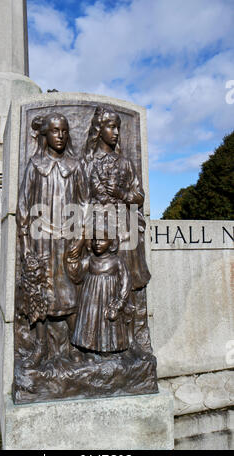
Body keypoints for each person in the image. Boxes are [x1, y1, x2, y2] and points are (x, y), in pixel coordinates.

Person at [16, 112, 89, 366]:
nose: (61, 136)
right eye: (56, 131)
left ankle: (76, 346)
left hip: (68, 241)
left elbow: (85, 203)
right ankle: (40, 347)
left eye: (65, 131)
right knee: (39, 295)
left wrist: (80, 239)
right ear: (46, 135)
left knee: (71, 294)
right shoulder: (35, 165)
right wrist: (25, 245)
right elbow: (23, 206)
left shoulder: (75, 166)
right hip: (40, 241)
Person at [83, 105, 151, 349]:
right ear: (99, 130)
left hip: (125, 233)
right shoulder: (88, 164)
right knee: (102, 288)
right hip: (100, 232)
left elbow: (138, 196)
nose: (115, 133)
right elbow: (81, 201)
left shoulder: (125, 163)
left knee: (129, 285)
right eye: (110, 127)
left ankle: (135, 339)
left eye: (118, 128)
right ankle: (102, 340)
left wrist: (121, 193)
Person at [65, 233, 131, 352]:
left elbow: (126, 282)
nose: (97, 243)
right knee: (91, 322)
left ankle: (108, 349)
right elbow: (77, 273)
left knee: (107, 326)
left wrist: (121, 302)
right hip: (91, 299)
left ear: (111, 242)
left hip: (108, 298)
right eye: (95, 240)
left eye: (102, 240)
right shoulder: (90, 259)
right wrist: (72, 257)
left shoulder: (116, 261)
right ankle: (89, 347)